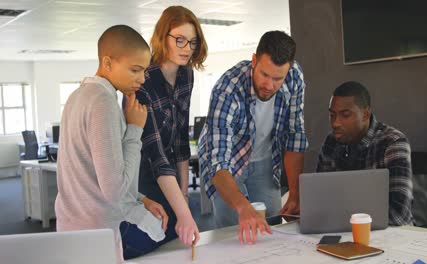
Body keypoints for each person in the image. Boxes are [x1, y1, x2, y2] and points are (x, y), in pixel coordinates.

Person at [55, 25, 169, 262]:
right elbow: (115, 191)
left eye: (144, 71)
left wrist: (141, 199)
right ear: (107, 63)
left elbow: (99, 176)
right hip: (99, 234)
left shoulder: (77, 96)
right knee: (172, 227)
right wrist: (135, 128)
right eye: (134, 70)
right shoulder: (103, 102)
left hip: (71, 228)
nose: (141, 79)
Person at [198, 30, 309, 244]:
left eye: (277, 78)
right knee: (234, 231)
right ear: (254, 60)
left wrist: (295, 194)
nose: (269, 85)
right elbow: (217, 160)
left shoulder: (295, 76)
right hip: (227, 164)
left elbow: (295, 137)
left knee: (272, 227)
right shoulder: (227, 88)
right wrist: (242, 206)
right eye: (264, 75)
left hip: (266, 160)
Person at [133, 5, 208, 252]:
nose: (187, 49)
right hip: (143, 179)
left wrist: (184, 197)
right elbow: (156, 155)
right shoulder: (144, 82)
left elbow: (180, 143)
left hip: (172, 181)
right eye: (180, 40)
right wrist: (183, 211)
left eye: (192, 42)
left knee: (179, 246)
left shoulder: (186, 75)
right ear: (162, 36)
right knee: (152, 244)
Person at [316, 81, 414, 226]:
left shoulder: (392, 142)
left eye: (345, 115)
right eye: (332, 115)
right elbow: (319, 200)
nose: (335, 123)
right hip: (344, 233)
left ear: (365, 114)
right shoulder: (331, 142)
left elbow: (399, 215)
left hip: (391, 236)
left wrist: (340, 218)